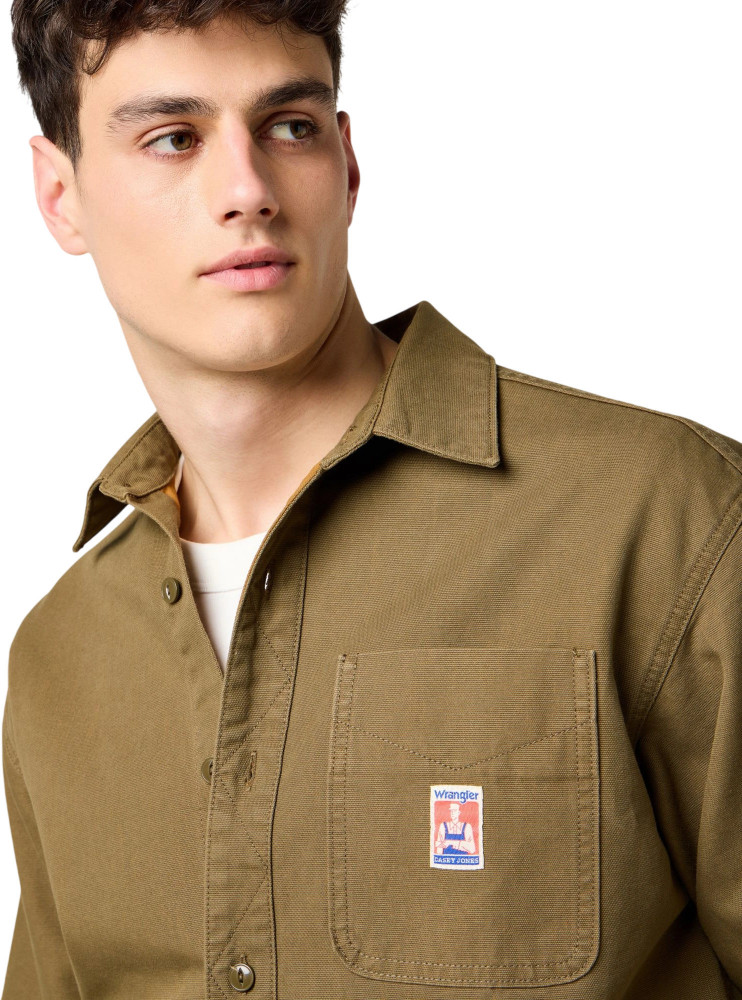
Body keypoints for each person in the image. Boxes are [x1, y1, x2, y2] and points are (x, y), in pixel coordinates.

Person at [2, 0, 741, 997]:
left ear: (346, 165)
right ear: (61, 196)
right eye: (174, 138)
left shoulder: (668, 522)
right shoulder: (60, 655)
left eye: (288, 126)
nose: (248, 190)